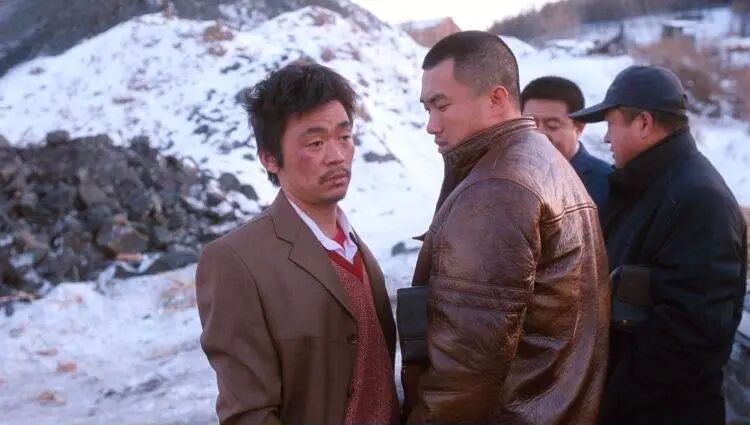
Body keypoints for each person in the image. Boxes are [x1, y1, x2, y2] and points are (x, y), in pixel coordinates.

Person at [401, 31, 610, 424]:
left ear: (496, 99)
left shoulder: (497, 188)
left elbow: (464, 369)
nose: (431, 125)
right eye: (427, 108)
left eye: (441, 105)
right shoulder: (541, 157)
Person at [195, 62, 399, 425]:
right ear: (269, 158)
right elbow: (248, 414)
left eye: (344, 137)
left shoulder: (355, 247)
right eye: (316, 143)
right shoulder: (235, 260)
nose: (337, 155)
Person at [570, 65, 748, 425]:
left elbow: (687, 337)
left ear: (644, 124)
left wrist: (607, 402)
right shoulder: (643, 187)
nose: (606, 138)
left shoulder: (699, 200)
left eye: (611, 124)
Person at [521, 76, 612, 216]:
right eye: (530, 124)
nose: (539, 134)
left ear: (579, 127)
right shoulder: (503, 174)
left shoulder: (606, 183)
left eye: (552, 126)